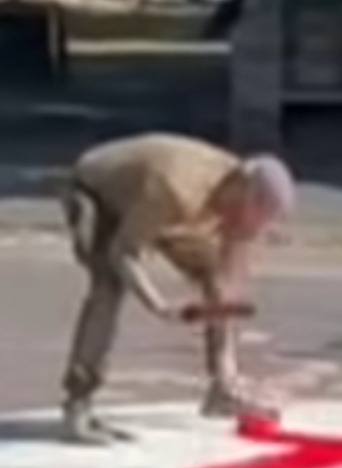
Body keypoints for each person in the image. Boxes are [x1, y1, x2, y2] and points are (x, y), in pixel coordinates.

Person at [58, 132, 295, 443]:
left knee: (213, 275)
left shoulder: (239, 204)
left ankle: (222, 392)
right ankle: (78, 405)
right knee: (109, 284)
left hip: (166, 208)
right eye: (252, 216)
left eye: (259, 224)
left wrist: (227, 368)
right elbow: (124, 253)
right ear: (241, 189)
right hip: (99, 191)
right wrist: (159, 305)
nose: (248, 229)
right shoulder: (176, 188)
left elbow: (225, 286)